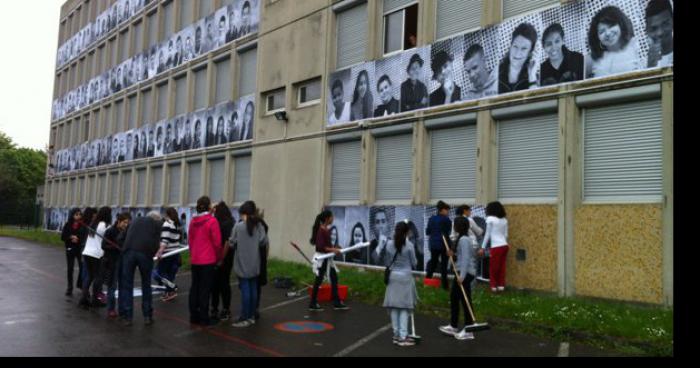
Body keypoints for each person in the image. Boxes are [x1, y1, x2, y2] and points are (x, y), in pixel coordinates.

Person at [119, 211, 163, 326]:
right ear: (157, 219)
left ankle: (128, 317)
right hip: (144, 254)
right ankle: (147, 316)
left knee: (127, 285)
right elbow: (156, 242)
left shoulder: (134, 220)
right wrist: (153, 254)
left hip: (129, 252)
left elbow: (121, 237)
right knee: (146, 284)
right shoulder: (157, 224)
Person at [230, 201, 269, 327]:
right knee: (253, 290)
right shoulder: (259, 227)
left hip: (242, 263)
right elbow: (263, 242)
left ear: (244, 214)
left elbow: (231, 243)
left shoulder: (238, 226)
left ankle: (244, 317)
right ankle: (251, 316)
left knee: (246, 290)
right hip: (255, 263)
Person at [439, 216, 478, 340]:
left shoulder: (464, 240)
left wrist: (462, 276)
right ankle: (453, 326)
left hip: (465, 274)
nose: (453, 227)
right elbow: (460, 257)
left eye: (455, 225)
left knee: (465, 300)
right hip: (462, 272)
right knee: (455, 297)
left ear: (458, 226)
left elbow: (466, 259)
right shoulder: (461, 239)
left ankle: (468, 330)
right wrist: (452, 254)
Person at [188, 196, 222, 327]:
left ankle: (193, 316)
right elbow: (217, 243)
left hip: (195, 259)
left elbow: (190, 241)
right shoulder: (212, 221)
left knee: (194, 288)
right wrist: (218, 258)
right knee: (205, 289)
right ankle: (204, 318)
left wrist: (193, 255)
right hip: (208, 260)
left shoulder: (193, 221)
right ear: (209, 207)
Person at [383, 221, 418, 347]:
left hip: (393, 277)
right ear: (407, 232)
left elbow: (387, 262)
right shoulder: (409, 245)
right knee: (404, 307)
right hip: (405, 278)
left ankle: (396, 335)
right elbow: (414, 262)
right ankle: (403, 337)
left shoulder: (388, 244)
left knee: (394, 306)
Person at [308, 210, 349, 312]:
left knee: (334, 278)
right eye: (331, 217)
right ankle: (313, 303)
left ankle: (336, 302)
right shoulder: (321, 230)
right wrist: (333, 250)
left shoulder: (325, 229)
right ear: (327, 218)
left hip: (327, 259)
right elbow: (321, 247)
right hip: (322, 259)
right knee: (319, 280)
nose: (333, 219)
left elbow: (327, 246)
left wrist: (335, 248)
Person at [586, 6, 640, 78]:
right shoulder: (594, 60)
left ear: (621, 25)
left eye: (611, 26)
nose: (607, 33)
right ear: (597, 37)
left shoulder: (634, 45)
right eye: (602, 31)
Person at [79, 207, 111, 309]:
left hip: (87, 253)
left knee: (90, 276)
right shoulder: (105, 226)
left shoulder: (93, 224)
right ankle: (95, 299)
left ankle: (84, 299)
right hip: (97, 254)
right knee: (98, 277)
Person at [102, 212, 131, 318]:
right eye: (124, 222)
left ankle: (122, 309)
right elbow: (103, 246)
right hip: (112, 262)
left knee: (123, 286)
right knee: (112, 287)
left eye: (128, 223)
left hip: (124, 262)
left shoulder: (128, 232)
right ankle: (111, 309)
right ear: (118, 221)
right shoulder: (110, 231)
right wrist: (115, 247)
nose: (126, 225)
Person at [211, 201, 235, 322]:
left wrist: (221, 258)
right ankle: (224, 308)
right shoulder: (230, 222)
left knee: (217, 284)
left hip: (220, 257)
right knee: (224, 283)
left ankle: (217, 308)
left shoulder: (223, 223)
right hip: (227, 257)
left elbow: (227, 242)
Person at [499, 23, 539, 93]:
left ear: (530, 53)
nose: (517, 53)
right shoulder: (496, 74)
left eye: (523, 49)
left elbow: (537, 102)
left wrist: (532, 77)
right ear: (510, 46)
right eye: (515, 46)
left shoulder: (534, 78)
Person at [153, 208, 182, 302]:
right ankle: (169, 292)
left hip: (167, 253)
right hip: (175, 252)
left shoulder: (167, 224)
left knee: (159, 273)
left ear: (167, 215)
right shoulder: (177, 224)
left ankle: (172, 289)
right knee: (169, 273)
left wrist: (159, 252)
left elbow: (165, 240)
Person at [479, 201, 509, 293]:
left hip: (496, 246)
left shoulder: (490, 219)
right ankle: (501, 286)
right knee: (502, 267)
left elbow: (487, 234)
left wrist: (482, 247)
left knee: (493, 268)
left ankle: (493, 287)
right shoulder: (504, 220)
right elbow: (506, 235)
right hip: (504, 245)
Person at [425, 200, 452, 290]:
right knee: (444, 267)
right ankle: (445, 287)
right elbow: (448, 233)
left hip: (433, 245)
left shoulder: (431, 219)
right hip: (444, 245)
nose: (447, 212)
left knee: (433, 263)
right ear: (442, 210)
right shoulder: (447, 220)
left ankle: (427, 281)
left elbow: (427, 232)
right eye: (447, 210)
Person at [61, 208, 87, 296]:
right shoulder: (68, 224)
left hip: (80, 249)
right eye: (76, 214)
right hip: (70, 248)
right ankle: (69, 287)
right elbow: (63, 237)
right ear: (72, 215)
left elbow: (84, 236)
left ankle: (81, 285)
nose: (78, 216)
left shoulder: (83, 225)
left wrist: (78, 239)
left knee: (82, 267)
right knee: (70, 268)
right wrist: (71, 237)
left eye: (80, 214)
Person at [645, 0, 673, 68]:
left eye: (665, 24)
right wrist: (650, 67)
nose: (660, 32)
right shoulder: (640, 63)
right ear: (647, 30)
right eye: (654, 28)